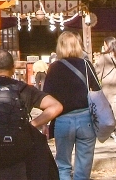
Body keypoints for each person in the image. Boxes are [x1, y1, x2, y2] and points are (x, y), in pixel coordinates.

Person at [0, 49, 63, 180]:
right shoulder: (24, 89)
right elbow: (56, 106)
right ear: (13, 69)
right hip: (19, 154)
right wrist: (32, 125)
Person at [42, 32, 101, 180]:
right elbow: (98, 90)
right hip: (86, 118)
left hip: (62, 119)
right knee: (84, 164)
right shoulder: (86, 65)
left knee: (63, 164)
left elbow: (46, 96)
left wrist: (45, 122)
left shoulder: (54, 67)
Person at [94, 38, 116, 143]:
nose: (104, 47)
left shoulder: (103, 57)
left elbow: (96, 72)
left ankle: (110, 130)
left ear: (108, 45)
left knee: (108, 111)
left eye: (104, 44)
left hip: (106, 88)